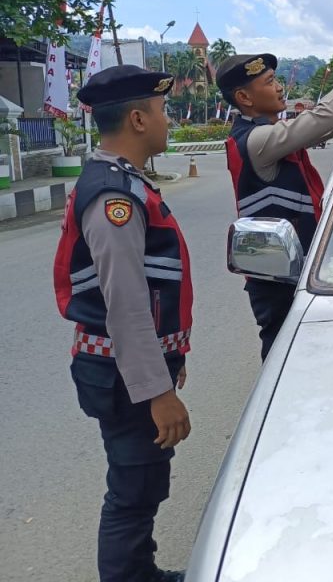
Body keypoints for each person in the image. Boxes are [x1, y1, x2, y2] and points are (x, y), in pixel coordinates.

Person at [54, 65, 192, 582]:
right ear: (137, 119)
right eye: (162, 111)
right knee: (132, 491)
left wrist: (171, 358)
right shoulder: (114, 197)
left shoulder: (123, 182)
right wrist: (158, 391)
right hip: (123, 377)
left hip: (125, 370)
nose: (168, 120)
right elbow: (127, 305)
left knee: (142, 484)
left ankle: (140, 572)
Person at [216, 30, 333, 360]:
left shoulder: (268, 133)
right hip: (279, 281)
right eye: (269, 82)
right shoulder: (256, 141)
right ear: (244, 98)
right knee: (284, 356)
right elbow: (323, 117)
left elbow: (332, 125)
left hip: (294, 270)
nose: (279, 87)